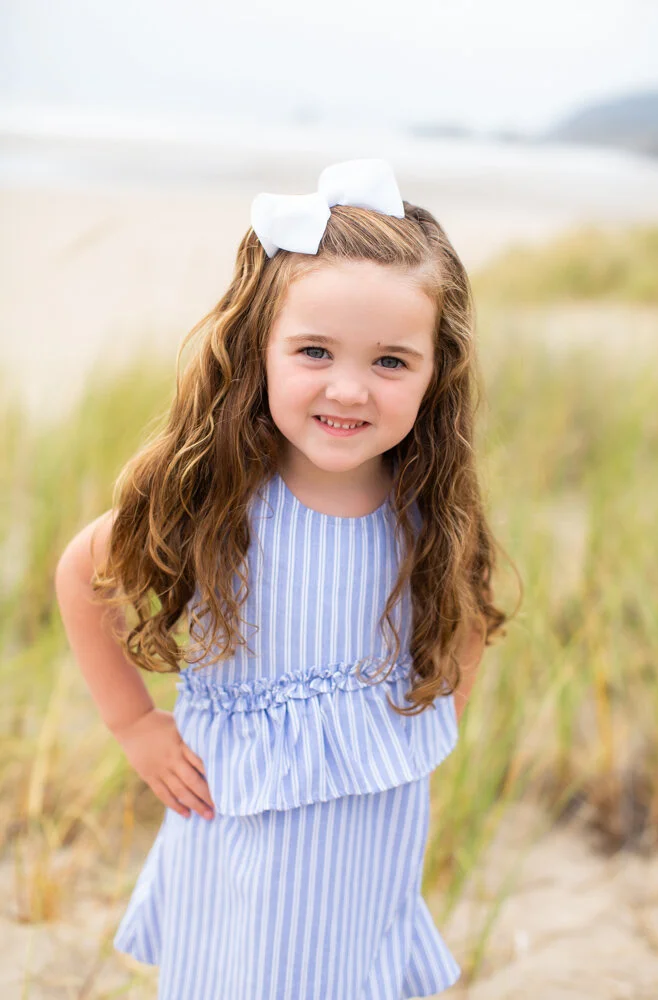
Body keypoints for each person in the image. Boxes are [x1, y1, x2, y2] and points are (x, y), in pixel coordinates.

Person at [55, 158, 512, 999]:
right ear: (255, 348)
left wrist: (425, 727)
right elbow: (83, 575)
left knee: (353, 972)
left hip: (371, 831)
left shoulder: (426, 507)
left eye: (390, 362)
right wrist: (133, 725)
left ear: (434, 372)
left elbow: (468, 607)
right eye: (313, 351)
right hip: (239, 827)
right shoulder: (217, 497)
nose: (348, 388)